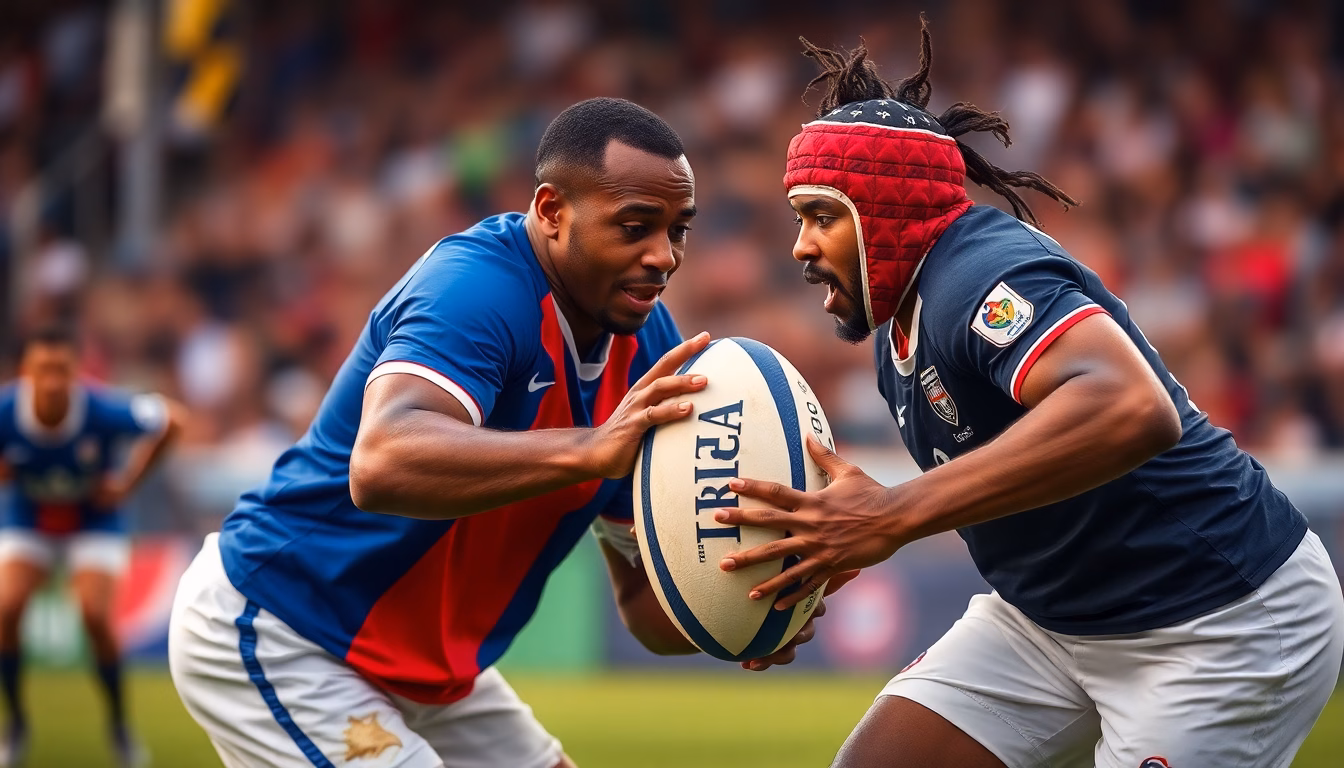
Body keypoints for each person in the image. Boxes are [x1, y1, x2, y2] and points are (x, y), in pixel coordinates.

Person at [713, 20, 1344, 768]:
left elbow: (1131, 408)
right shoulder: (897, 328)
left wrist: (893, 512)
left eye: (821, 217)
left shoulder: (976, 275)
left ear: (880, 214)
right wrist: (833, 555)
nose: (800, 246)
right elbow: (1005, 477)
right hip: (1050, 622)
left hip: (1216, 620)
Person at [168, 97, 830, 768]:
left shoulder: (651, 347)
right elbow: (381, 463)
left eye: (678, 230)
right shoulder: (477, 288)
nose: (663, 256)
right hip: (287, 625)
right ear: (550, 212)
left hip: (434, 673)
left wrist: (748, 609)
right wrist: (590, 449)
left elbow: (642, 605)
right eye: (635, 226)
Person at [0, 325, 184, 768]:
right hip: (30, 520)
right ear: (25, 372)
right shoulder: (6, 412)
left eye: (62, 370)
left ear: (77, 372)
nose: (52, 381)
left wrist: (127, 483)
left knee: (95, 616)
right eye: (43, 370)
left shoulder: (101, 410)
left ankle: (119, 727)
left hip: (93, 522)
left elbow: (174, 420)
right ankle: (17, 726)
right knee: (5, 608)